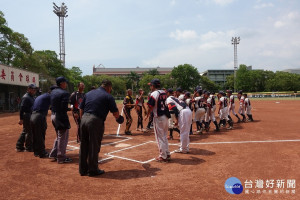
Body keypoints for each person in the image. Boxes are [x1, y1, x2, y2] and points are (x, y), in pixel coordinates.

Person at [79, 80, 124, 176]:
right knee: (94, 145)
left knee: (84, 145)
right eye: (111, 88)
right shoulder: (108, 96)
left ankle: (82, 170)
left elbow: (81, 108)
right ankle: (93, 170)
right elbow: (115, 113)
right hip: (95, 121)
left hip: (83, 119)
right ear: (109, 87)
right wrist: (119, 118)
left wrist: (82, 120)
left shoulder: (89, 93)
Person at [145, 79, 170, 162]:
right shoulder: (164, 92)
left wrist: (147, 115)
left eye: (151, 85)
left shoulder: (154, 93)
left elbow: (150, 106)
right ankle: (167, 153)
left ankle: (163, 156)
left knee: (160, 138)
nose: (150, 87)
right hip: (166, 116)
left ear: (153, 85)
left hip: (158, 117)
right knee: (164, 136)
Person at [49, 77, 72, 164]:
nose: (65, 84)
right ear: (61, 83)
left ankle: (54, 154)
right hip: (60, 116)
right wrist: (69, 109)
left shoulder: (53, 92)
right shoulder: (64, 93)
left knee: (59, 135)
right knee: (63, 136)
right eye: (65, 82)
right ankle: (61, 157)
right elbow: (63, 108)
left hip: (53, 115)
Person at [30, 87, 53, 158]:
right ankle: (42, 153)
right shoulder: (49, 96)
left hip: (33, 116)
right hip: (39, 116)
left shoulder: (42, 96)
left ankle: (36, 151)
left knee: (35, 135)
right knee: (40, 135)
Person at [16, 84, 37, 152]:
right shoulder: (26, 97)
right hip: (27, 115)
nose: (34, 90)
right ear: (28, 89)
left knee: (25, 131)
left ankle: (19, 146)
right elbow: (22, 109)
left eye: (35, 89)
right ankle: (28, 147)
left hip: (30, 115)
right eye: (32, 89)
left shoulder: (31, 97)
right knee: (29, 132)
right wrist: (21, 119)